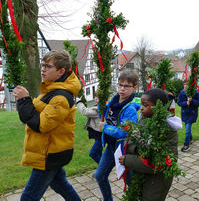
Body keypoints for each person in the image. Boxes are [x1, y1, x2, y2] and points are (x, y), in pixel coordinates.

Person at [13, 50, 81, 201]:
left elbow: (41, 125)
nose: (43, 69)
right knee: (60, 185)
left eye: (48, 66)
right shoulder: (51, 88)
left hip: (49, 154)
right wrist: (25, 101)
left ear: (61, 71)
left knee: (28, 197)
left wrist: (24, 101)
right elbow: (37, 113)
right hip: (51, 150)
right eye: (42, 65)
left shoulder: (60, 97)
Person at [119, 88, 182, 201]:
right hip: (141, 173)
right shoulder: (143, 121)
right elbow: (131, 141)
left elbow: (160, 162)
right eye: (141, 104)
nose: (141, 108)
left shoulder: (167, 130)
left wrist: (128, 160)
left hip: (157, 181)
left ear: (158, 108)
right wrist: (137, 150)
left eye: (145, 105)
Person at [94, 71, 140, 201]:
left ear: (134, 88)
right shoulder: (114, 101)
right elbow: (104, 117)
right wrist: (100, 106)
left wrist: (105, 128)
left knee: (130, 181)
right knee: (99, 176)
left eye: (127, 86)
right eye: (120, 85)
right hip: (111, 147)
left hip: (124, 149)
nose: (122, 89)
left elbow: (123, 132)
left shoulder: (130, 109)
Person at [77, 91, 102, 164]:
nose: (96, 99)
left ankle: (103, 169)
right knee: (98, 153)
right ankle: (102, 170)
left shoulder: (99, 109)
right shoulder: (98, 106)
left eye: (98, 97)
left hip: (99, 135)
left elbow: (85, 111)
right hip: (98, 134)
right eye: (95, 97)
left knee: (93, 153)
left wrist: (79, 102)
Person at [177, 82, 199, 151]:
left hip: (192, 113)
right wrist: (185, 103)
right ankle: (190, 138)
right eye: (184, 84)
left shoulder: (195, 93)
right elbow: (179, 102)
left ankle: (186, 144)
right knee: (187, 127)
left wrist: (192, 100)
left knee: (187, 129)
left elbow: (198, 103)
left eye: (187, 84)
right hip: (185, 113)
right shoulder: (182, 93)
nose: (185, 86)